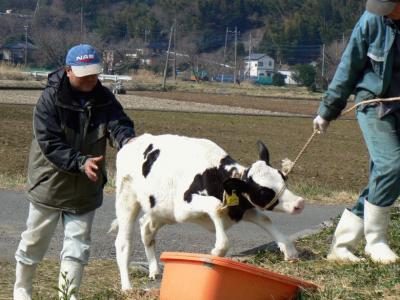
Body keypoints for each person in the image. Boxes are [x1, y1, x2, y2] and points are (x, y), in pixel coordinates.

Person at [13, 44, 135, 300]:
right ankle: (21, 291)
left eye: (94, 74)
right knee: (34, 242)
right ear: (69, 71)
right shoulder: (49, 100)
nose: (92, 80)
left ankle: (68, 295)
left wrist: (127, 141)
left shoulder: (104, 97)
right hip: (50, 184)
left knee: (77, 247)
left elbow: (118, 123)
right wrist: (81, 162)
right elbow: (50, 143)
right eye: (85, 74)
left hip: (85, 190)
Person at [313, 0, 400, 264]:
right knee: (391, 167)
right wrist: (327, 110)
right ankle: (375, 242)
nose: (384, 12)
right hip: (374, 103)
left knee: (384, 175)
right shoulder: (371, 21)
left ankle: (341, 245)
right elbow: (348, 66)